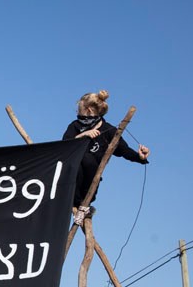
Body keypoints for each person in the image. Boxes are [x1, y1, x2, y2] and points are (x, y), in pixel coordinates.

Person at [62, 89, 150, 218]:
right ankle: (73, 202)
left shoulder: (108, 130)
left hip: (89, 182)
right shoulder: (75, 126)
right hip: (71, 179)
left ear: (89, 110)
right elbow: (63, 146)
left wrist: (139, 157)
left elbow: (123, 149)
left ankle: (85, 206)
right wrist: (82, 135)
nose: (77, 113)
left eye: (78, 109)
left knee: (88, 160)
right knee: (80, 160)